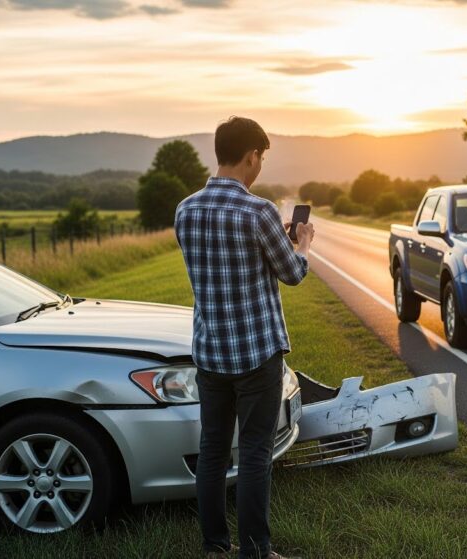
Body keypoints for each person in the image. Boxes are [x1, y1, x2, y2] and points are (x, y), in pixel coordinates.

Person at [175, 116, 313, 559]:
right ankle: (255, 551)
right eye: (261, 158)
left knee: (212, 451)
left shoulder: (186, 209)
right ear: (252, 155)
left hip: (210, 351)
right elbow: (291, 274)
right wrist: (302, 243)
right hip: (256, 353)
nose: (260, 167)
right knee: (255, 453)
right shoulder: (259, 211)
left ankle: (215, 547)